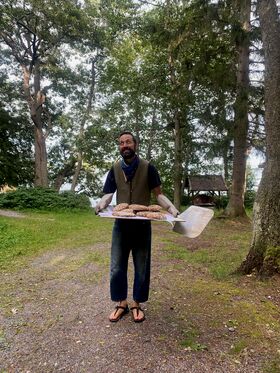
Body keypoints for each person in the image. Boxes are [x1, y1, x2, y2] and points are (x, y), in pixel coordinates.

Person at [95, 131, 179, 322]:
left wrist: (172, 208)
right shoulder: (115, 168)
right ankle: (121, 303)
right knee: (117, 266)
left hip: (142, 227)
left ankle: (136, 305)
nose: (125, 145)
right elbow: (108, 194)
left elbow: (158, 194)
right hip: (120, 225)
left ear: (135, 144)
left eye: (128, 142)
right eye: (121, 143)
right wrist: (100, 205)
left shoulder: (148, 168)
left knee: (141, 267)